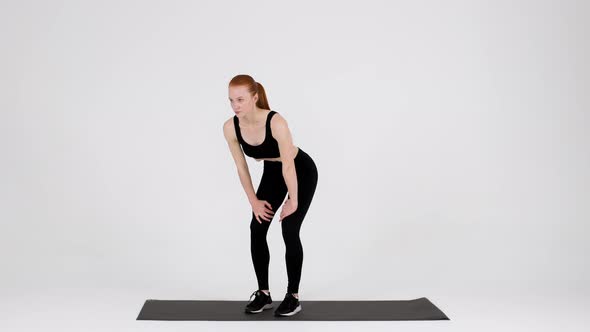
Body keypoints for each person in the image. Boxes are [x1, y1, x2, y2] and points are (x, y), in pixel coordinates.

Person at [222, 74, 319, 317]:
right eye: (231, 100)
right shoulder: (230, 127)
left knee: (289, 228)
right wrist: (254, 201)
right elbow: (241, 167)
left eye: (241, 100)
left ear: (255, 97)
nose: (235, 106)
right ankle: (263, 293)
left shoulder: (276, 122)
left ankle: (293, 296)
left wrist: (293, 201)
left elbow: (289, 166)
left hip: (300, 170)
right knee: (257, 227)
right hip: (273, 172)